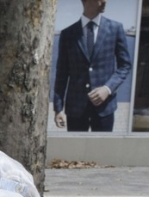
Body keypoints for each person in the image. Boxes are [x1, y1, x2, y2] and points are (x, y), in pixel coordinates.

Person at [53, 0, 132, 131]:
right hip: (75, 108)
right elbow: (61, 73)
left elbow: (125, 66)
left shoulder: (115, 28)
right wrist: (58, 108)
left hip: (104, 108)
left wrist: (107, 89)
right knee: (76, 150)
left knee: (103, 150)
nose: (104, 2)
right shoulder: (68, 34)